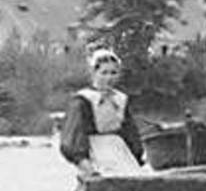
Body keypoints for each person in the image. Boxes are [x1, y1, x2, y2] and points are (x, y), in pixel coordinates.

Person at [60, 48, 146, 180]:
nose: (109, 78)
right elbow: (73, 137)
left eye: (113, 73)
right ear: (94, 73)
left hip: (119, 151)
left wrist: (137, 156)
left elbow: (130, 132)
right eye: (104, 73)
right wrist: (86, 165)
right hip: (94, 152)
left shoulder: (120, 99)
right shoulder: (83, 100)